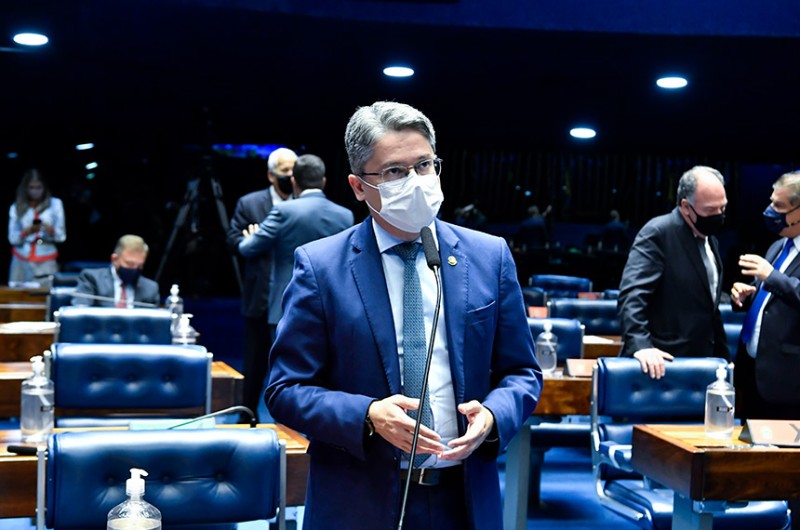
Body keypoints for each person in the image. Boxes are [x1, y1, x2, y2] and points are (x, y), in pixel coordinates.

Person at [265, 101, 541, 530]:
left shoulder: (489, 256)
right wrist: (368, 415)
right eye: (394, 171)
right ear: (359, 187)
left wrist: (492, 417)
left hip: (464, 499)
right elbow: (285, 390)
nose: (415, 181)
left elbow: (522, 372)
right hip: (359, 501)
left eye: (425, 165)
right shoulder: (320, 267)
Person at [618, 166, 730, 379]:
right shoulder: (658, 233)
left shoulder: (711, 240)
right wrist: (641, 345)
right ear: (686, 207)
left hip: (704, 362)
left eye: (722, 208)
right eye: (710, 210)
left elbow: (708, 305)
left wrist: (723, 355)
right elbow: (632, 294)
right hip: (661, 363)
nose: (718, 215)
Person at [238, 154, 354, 334]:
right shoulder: (345, 215)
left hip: (287, 303)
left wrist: (251, 236)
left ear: (294, 182)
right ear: (323, 182)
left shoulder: (283, 211)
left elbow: (247, 248)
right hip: (330, 304)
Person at [226, 147, 297, 422]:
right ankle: (246, 417)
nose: (289, 176)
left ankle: (288, 423)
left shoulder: (302, 203)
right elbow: (233, 239)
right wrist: (249, 241)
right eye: (284, 171)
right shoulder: (250, 203)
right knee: (254, 364)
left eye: (293, 171)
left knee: (291, 365)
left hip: (293, 297)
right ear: (271, 175)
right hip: (260, 295)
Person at [731, 170, 800, 421]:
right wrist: (745, 295)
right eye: (771, 202)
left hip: (789, 382)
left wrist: (771, 276)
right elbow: (771, 299)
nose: (770, 211)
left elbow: (783, 285)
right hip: (753, 373)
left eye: (779, 206)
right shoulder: (778, 245)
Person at [8, 168, 66, 286]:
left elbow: (61, 236)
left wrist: (50, 230)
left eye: (38, 187)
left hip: (46, 258)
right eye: (31, 187)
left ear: (44, 187)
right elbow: (12, 238)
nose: (35, 191)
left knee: (45, 294)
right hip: (21, 258)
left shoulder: (55, 204)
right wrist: (27, 231)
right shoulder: (16, 206)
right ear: (25, 188)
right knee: (17, 294)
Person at [72, 234, 160, 307]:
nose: (134, 269)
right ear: (114, 259)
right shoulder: (92, 279)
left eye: (140, 265)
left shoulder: (150, 288)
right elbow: (81, 314)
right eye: (130, 264)